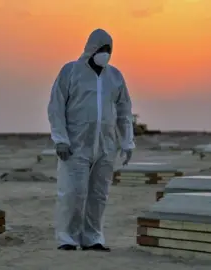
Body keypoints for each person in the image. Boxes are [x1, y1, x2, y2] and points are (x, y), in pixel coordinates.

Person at [47, 28, 135, 252]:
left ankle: (92, 237)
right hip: (75, 146)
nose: (106, 54)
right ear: (91, 49)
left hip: (106, 147)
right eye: (102, 49)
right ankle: (67, 237)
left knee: (98, 194)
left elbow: (124, 111)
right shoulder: (70, 72)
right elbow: (56, 106)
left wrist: (127, 142)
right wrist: (60, 139)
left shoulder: (115, 76)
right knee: (73, 193)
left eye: (109, 50)